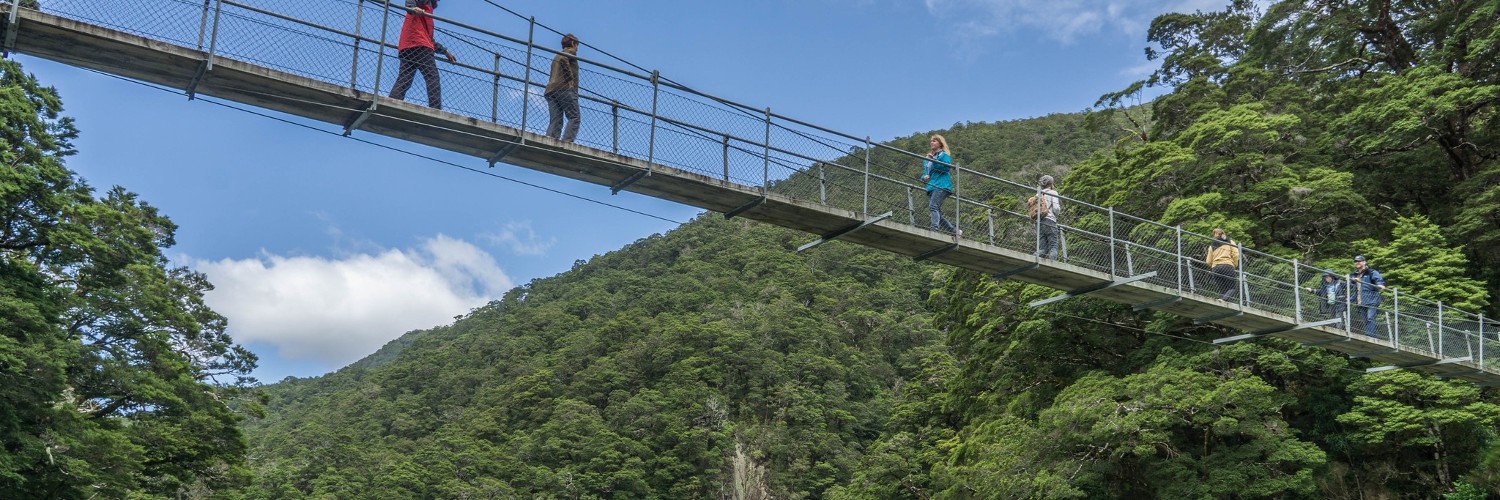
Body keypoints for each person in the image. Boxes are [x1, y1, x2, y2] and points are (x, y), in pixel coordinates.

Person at [388, 0, 457, 110]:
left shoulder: (427, 12)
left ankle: (391, 103)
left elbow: (430, 40)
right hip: (420, 44)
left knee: (405, 79)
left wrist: (445, 51)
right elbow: (411, 2)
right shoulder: (425, 3)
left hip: (407, 45)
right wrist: (412, 8)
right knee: (432, 76)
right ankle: (435, 110)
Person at [545, 33, 581, 142]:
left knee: (556, 118)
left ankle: (551, 139)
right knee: (574, 117)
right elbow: (564, 60)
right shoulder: (571, 51)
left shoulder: (556, 55)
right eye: (577, 45)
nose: (577, 48)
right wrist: (570, 78)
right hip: (564, 88)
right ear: (573, 43)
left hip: (551, 90)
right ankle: (567, 141)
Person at [922, 135, 959, 237]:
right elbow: (925, 172)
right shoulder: (927, 158)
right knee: (935, 210)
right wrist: (924, 177)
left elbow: (945, 168)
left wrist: (934, 160)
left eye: (934, 141)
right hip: (931, 186)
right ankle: (954, 231)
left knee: (933, 207)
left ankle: (933, 231)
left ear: (940, 143)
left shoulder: (944, 155)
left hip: (942, 185)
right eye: (931, 141)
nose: (931, 143)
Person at [1349, 255, 1387, 338]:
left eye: (1359, 261)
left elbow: (1379, 280)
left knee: (1370, 318)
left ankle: (1370, 335)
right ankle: (1371, 335)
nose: (1357, 263)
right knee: (1365, 319)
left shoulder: (1371, 272)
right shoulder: (1354, 274)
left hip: (1372, 299)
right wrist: (1352, 279)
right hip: (1361, 300)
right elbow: (1349, 282)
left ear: (1364, 262)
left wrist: (1380, 285)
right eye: (1356, 261)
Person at [1204, 228, 1240, 302]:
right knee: (1232, 287)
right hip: (1227, 265)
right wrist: (1234, 264)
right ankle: (1224, 300)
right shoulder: (1230, 242)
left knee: (1223, 290)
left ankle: (1222, 300)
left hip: (1215, 268)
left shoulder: (1211, 246)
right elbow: (1236, 254)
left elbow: (1208, 261)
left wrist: (1214, 265)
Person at [1034, 175, 1061, 258]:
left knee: (1042, 248)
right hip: (1050, 220)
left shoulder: (1038, 195)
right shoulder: (1053, 192)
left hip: (1038, 221)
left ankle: (1033, 259)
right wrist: (1056, 214)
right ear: (1051, 183)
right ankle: (1053, 264)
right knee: (1053, 246)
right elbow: (1056, 208)